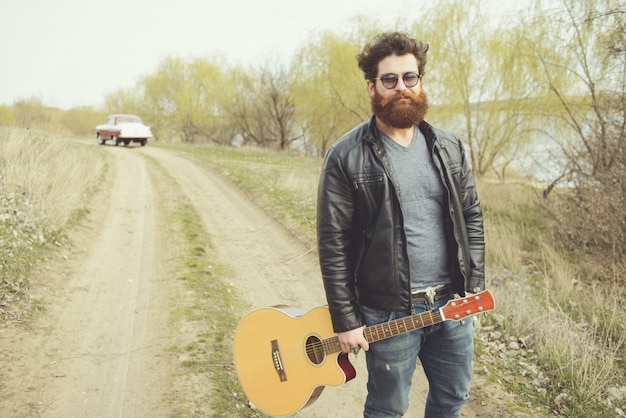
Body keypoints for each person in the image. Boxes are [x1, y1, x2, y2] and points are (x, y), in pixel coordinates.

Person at [316, 31, 485, 418]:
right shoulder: (346, 157)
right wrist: (346, 320)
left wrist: (473, 287)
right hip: (388, 311)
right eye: (389, 79)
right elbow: (333, 244)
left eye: (410, 77)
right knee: (388, 409)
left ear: (420, 82)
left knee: (452, 400)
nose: (401, 88)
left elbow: (471, 216)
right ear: (372, 86)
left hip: (452, 304)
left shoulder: (449, 147)